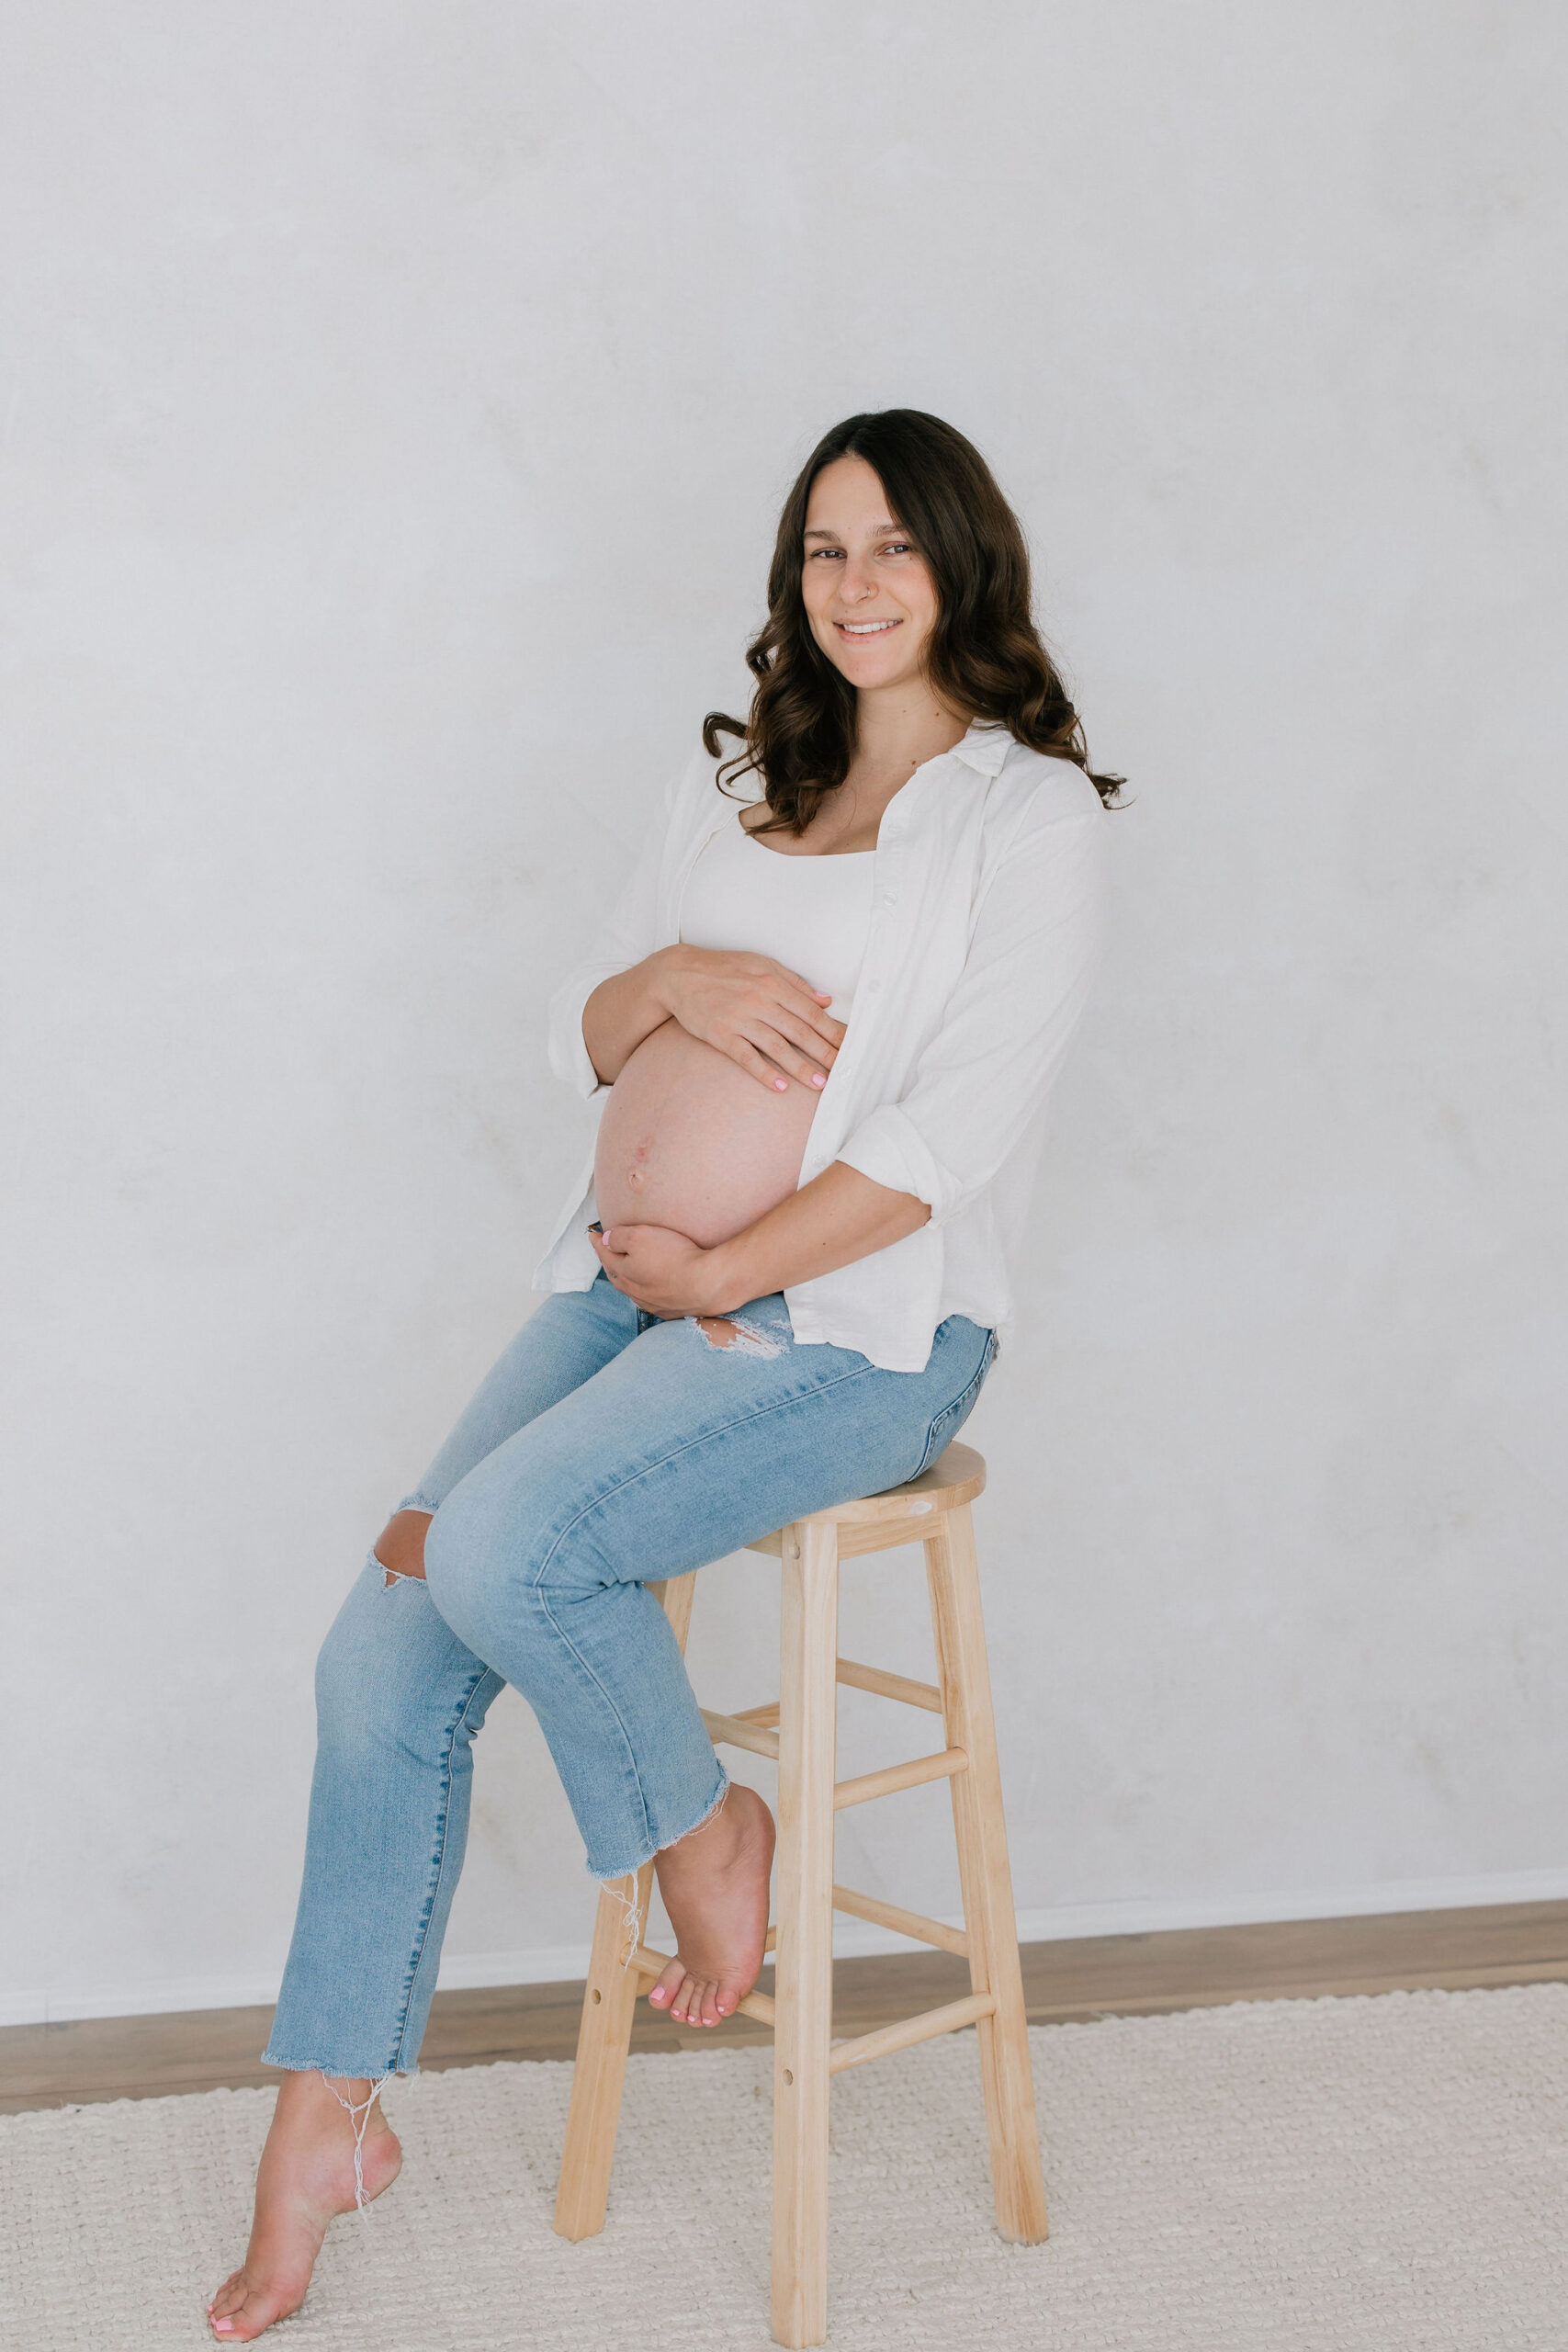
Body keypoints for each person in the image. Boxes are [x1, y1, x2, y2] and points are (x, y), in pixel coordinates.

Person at [208, 408, 1117, 2339]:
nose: (853, 584)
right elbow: (585, 1023)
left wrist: (728, 1262)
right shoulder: (736, 781)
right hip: (622, 1298)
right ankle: (324, 2120)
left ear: (963, 563)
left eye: (889, 546)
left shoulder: (1019, 814)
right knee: (375, 1644)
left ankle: (702, 1825)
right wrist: (678, 990)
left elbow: (943, 1136)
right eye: (819, 551)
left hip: (855, 1335)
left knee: (510, 1540)